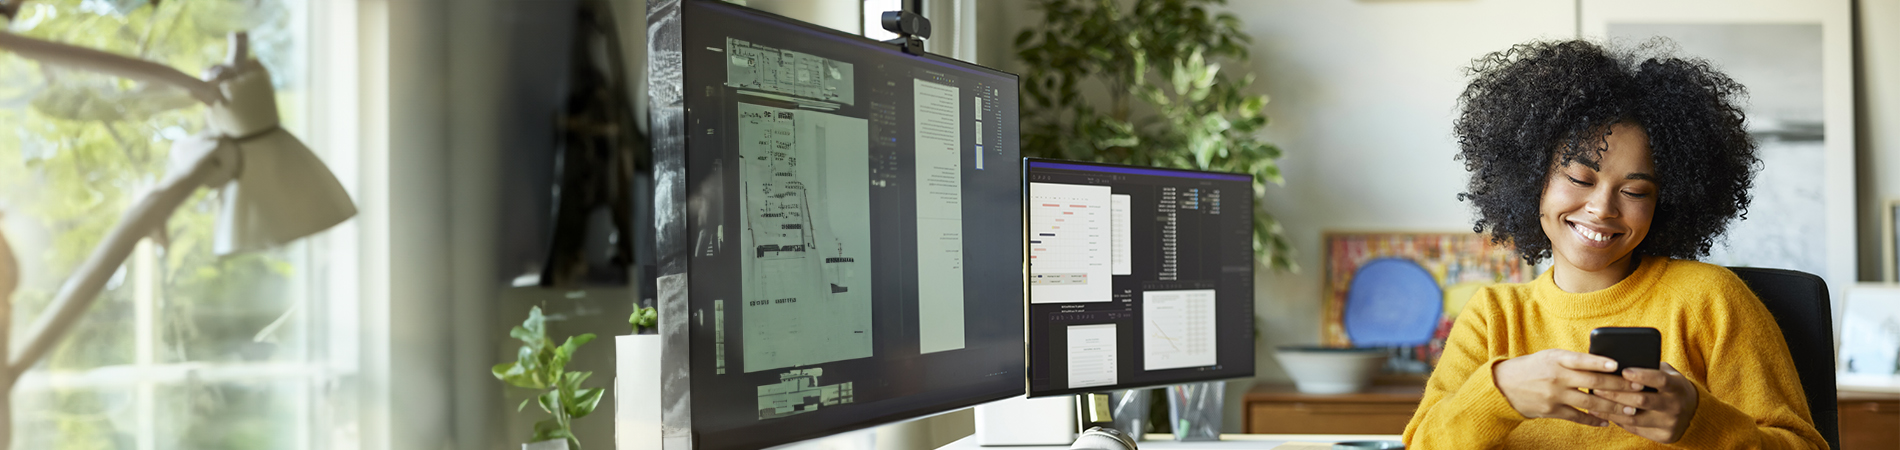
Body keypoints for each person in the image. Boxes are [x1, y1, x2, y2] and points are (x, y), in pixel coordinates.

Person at [1402, 39, 1826, 448]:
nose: (1602, 208)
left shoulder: (1711, 302)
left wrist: (1700, 421)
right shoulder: (1493, 318)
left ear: (1666, 201)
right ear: (1532, 179)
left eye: (1636, 191)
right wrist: (1501, 394)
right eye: (1580, 179)